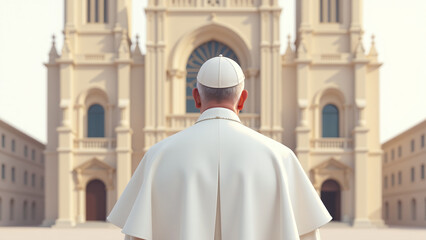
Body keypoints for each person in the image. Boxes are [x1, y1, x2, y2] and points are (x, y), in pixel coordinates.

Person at [107, 55, 332, 240]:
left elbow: (137, 235)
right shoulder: (281, 158)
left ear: (196, 97)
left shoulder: (157, 156)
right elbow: (307, 235)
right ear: (242, 99)